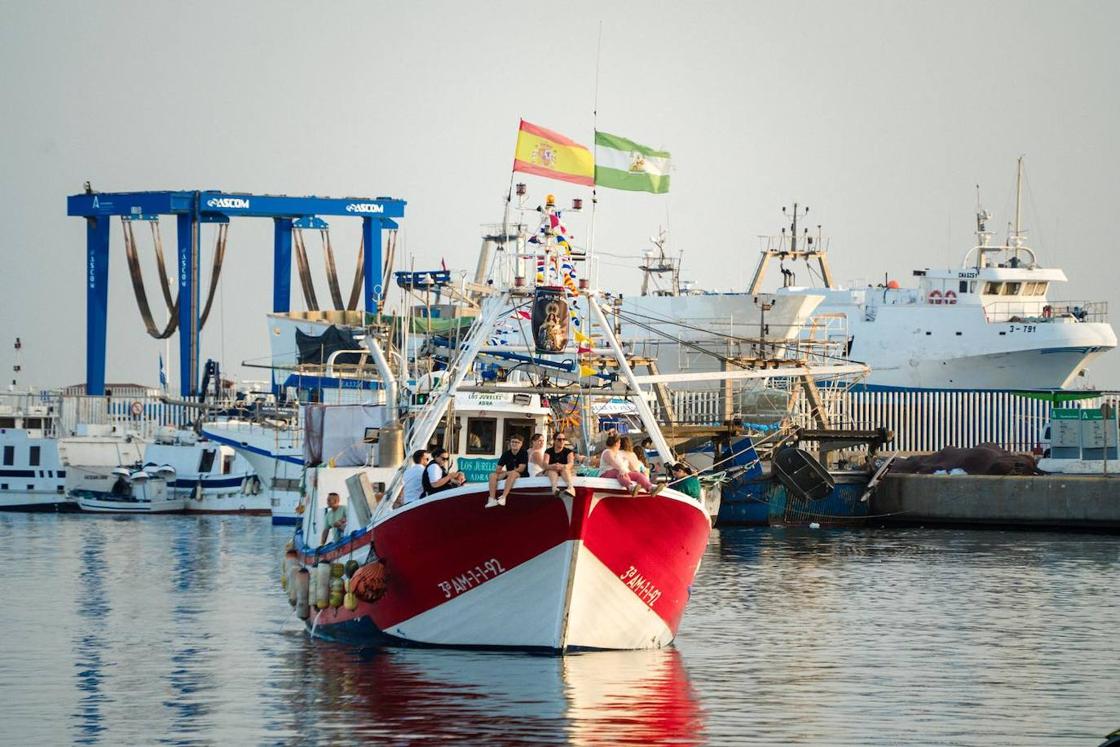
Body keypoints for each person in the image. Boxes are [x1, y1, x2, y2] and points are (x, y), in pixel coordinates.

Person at [486, 434, 528, 508]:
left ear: (521, 444)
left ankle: (503, 497)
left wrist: (506, 473)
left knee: (513, 473)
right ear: (510, 443)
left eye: (517, 442)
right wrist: (505, 473)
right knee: (492, 475)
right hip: (509, 475)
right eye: (513, 442)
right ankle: (492, 499)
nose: (514, 444)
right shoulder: (506, 454)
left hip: (521, 475)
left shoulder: (523, 453)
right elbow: (498, 469)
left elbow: (521, 469)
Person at [543, 432, 576, 498]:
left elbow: (571, 463)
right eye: (559, 439)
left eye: (564, 439)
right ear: (554, 440)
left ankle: (571, 488)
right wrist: (553, 466)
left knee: (565, 469)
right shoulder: (548, 451)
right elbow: (545, 464)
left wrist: (562, 466)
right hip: (552, 471)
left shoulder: (569, 451)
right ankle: (554, 489)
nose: (562, 441)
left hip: (565, 471)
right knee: (552, 470)